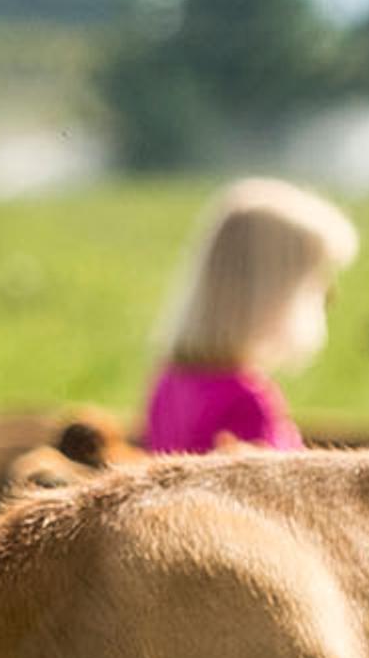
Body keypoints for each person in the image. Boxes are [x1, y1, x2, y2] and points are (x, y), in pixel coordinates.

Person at [139, 176, 357, 453]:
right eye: (314, 282)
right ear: (274, 293)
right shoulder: (247, 402)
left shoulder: (170, 381)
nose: (327, 296)